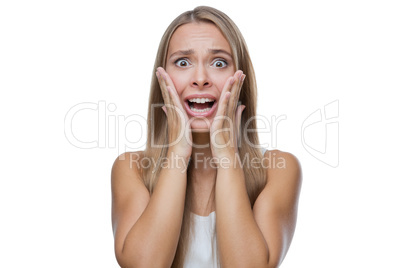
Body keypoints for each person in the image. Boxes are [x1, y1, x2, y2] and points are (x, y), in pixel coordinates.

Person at [111, 6, 302, 268]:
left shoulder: (278, 170)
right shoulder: (131, 169)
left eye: (219, 63)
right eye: (183, 62)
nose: (200, 79)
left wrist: (227, 156)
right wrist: (178, 152)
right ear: (162, 79)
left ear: (240, 79)